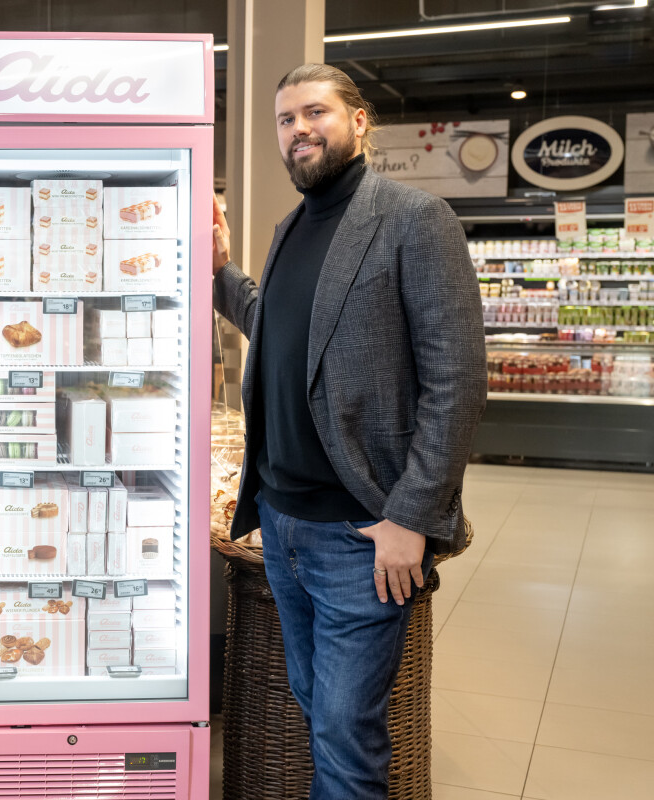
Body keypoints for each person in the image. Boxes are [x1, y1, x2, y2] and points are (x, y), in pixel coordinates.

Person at [211, 64, 486, 799]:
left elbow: (457, 381)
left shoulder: (413, 220)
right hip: (285, 524)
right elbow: (278, 323)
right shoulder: (290, 227)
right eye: (285, 119)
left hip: (362, 534)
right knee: (319, 712)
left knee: (344, 735)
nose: (298, 129)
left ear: (359, 121)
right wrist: (219, 274)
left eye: (315, 112)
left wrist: (411, 517)